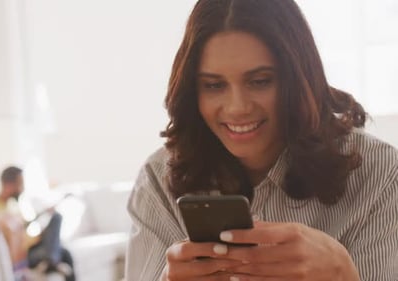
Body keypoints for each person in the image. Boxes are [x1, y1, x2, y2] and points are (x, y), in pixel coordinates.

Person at [125, 0, 398, 280]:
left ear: (299, 79)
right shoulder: (159, 180)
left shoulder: (380, 174)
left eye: (260, 81)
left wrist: (344, 273)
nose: (237, 108)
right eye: (214, 85)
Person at [0, 166, 75, 281]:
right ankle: (50, 261)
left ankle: (50, 261)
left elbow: (24, 229)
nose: (22, 188)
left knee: (56, 219)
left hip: (32, 245)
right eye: (20, 184)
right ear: (8, 185)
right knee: (64, 254)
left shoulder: (15, 205)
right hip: (24, 255)